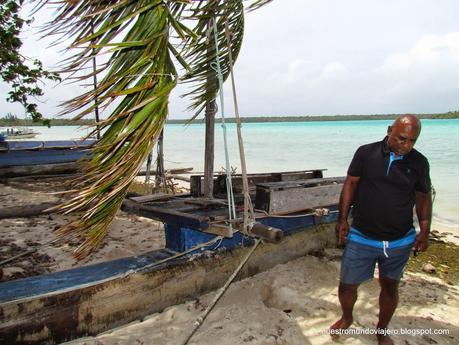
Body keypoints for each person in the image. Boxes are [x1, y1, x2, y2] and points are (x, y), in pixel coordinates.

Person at [330, 114, 432, 345]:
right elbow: (351, 184)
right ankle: (347, 318)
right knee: (347, 284)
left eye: (412, 141)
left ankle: (382, 329)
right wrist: (342, 219)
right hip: (361, 236)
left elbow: (423, 197)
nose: (406, 145)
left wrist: (424, 230)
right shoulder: (366, 153)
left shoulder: (419, 162)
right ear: (389, 130)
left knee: (389, 286)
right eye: (401, 139)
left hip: (399, 240)